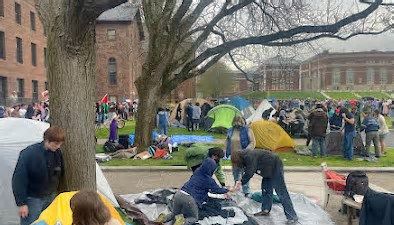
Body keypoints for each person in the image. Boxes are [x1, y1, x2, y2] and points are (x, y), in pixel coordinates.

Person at [12, 126, 65, 225]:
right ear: (47, 140)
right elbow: (18, 180)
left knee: (48, 221)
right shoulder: (28, 154)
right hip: (33, 198)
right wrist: (21, 203)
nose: (58, 146)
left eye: (60, 144)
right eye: (56, 144)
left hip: (51, 195)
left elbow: (60, 172)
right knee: (31, 223)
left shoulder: (57, 152)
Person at [158, 156, 233, 225]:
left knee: (174, 213)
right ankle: (182, 222)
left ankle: (163, 218)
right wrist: (228, 190)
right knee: (193, 218)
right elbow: (217, 190)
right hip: (189, 199)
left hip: (178, 194)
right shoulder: (209, 180)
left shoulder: (197, 171)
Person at [234, 149, 298, 224]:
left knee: (281, 192)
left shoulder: (249, 156)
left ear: (239, 159)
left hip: (275, 166)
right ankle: (266, 210)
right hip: (267, 168)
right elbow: (243, 170)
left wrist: (241, 183)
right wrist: (238, 181)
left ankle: (292, 216)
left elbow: (250, 171)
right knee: (266, 189)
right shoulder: (244, 158)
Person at [226, 116, 256, 196]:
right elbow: (228, 141)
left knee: (244, 173)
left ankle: (246, 191)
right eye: (236, 121)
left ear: (243, 121)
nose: (237, 123)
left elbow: (252, 142)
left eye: (239, 121)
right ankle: (237, 188)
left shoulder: (248, 130)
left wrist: (246, 151)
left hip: (245, 155)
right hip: (234, 156)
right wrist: (227, 152)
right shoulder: (230, 130)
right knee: (235, 173)